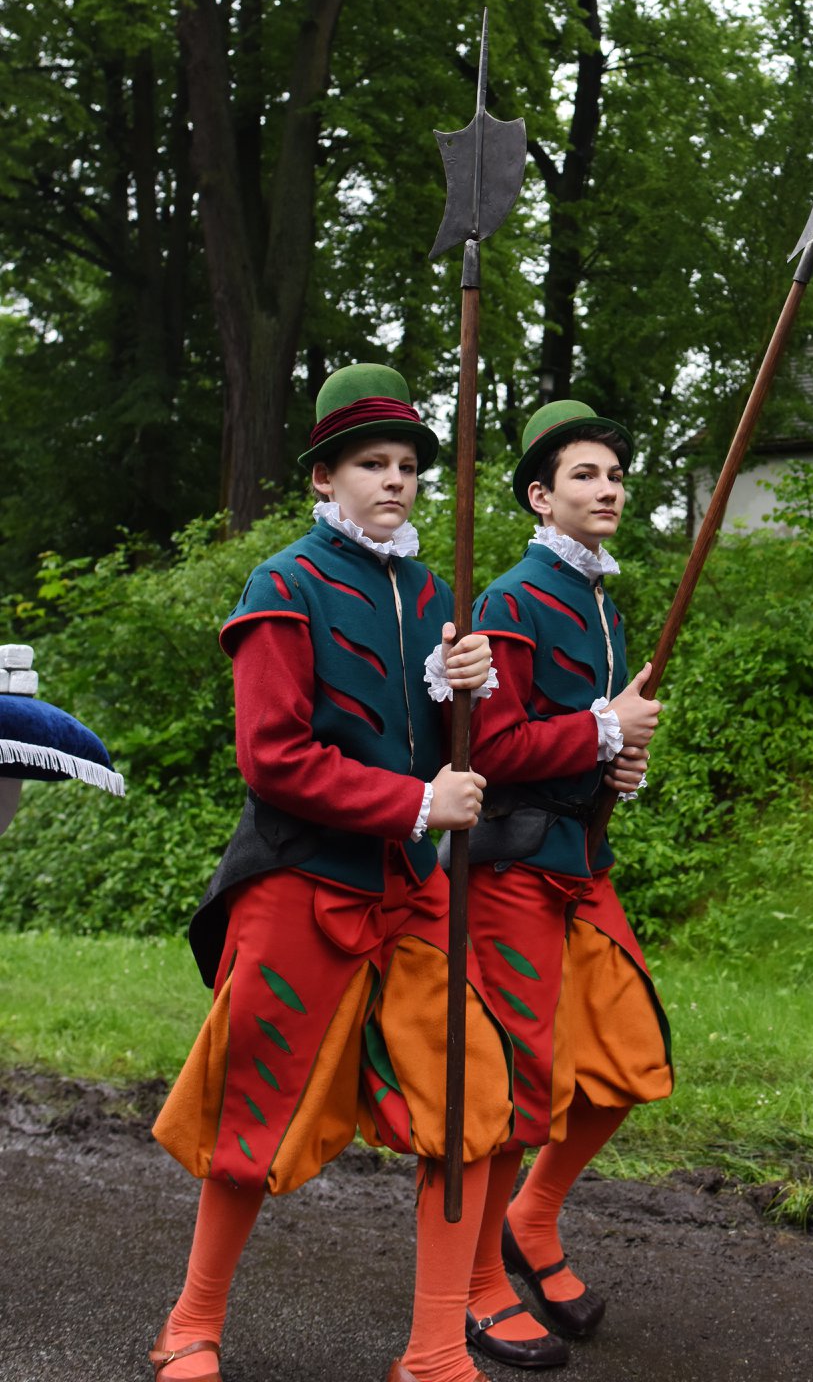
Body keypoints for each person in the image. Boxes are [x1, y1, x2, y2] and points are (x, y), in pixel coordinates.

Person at [149, 364, 512, 1382]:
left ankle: (434, 1352)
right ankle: (191, 1322)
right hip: (300, 881)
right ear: (323, 477)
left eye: (407, 466)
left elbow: (453, 756)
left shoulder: (436, 593)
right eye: (370, 463)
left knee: (470, 1096)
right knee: (252, 1105)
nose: (394, 480)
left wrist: (470, 697)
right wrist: (416, 803)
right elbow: (273, 758)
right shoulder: (285, 585)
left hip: (410, 890)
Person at [459, 400, 674, 1370]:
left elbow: (591, 736)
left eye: (615, 475)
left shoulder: (602, 605)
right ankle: (476, 1284)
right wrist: (602, 730)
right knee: (516, 1083)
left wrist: (617, 761)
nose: (608, 489)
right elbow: (495, 748)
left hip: (582, 863)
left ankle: (531, 1214)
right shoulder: (513, 600)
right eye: (584, 475)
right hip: (511, 866)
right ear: (540, 498)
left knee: (629, 1055)